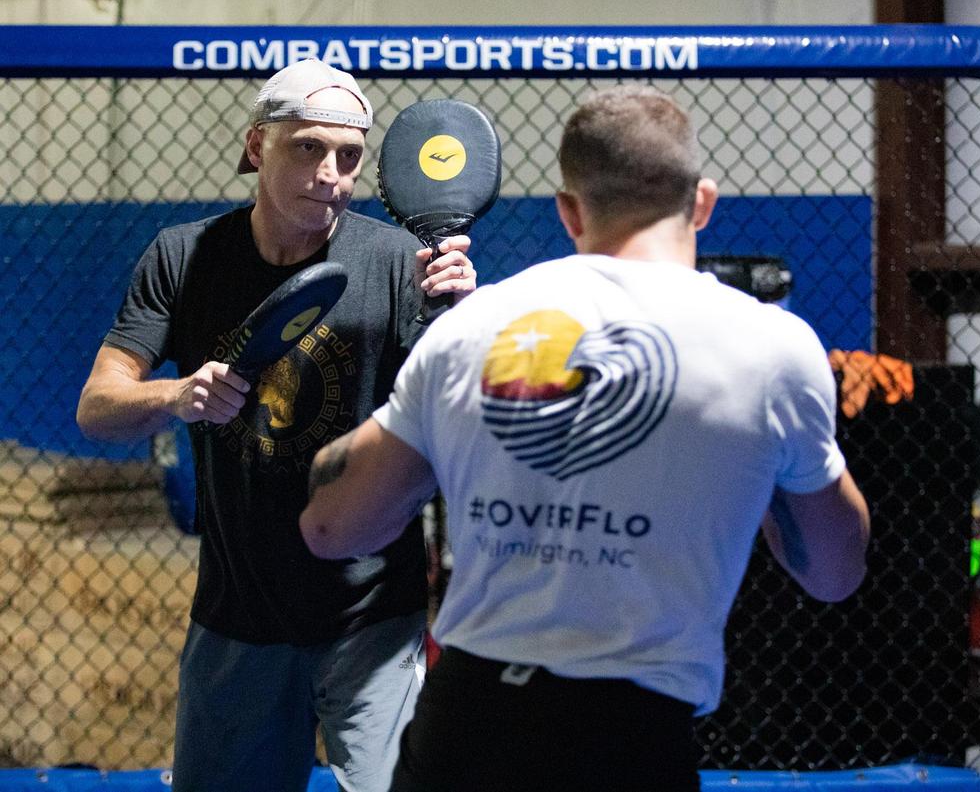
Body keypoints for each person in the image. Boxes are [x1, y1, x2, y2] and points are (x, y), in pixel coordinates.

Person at [300, 85, 870, 792]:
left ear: (569, 210)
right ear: (702, 203)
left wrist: (424, 421)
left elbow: (331, 526)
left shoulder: (476, 328)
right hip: (634, 733)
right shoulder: (772, 348)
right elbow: (834, 572)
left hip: (467, 723)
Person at [75, 58, 475, 792]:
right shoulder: (184, 256)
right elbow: (97, 406)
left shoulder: (397, 262)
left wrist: (466, 317)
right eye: (308, 148)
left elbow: (463, 418)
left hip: (371, 615)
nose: (330, 174)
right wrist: (176, 396)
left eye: (348, 156)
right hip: (238, 614)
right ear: (258, 145)